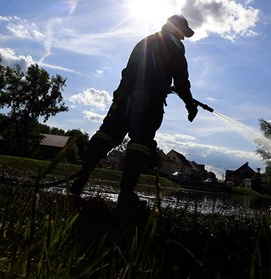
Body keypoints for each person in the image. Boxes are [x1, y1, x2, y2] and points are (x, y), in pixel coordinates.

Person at [70, 15, 199, 209]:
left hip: (124, 97)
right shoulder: (175, 48)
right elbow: (182, 83)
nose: (183, 39)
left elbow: (135, 70)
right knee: (140, 143)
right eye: (183, 35)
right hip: (149, 102)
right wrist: (190, 105)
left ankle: (80, 179)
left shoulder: (145, 41)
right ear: (176, 29)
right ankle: (126, 194)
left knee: (107, 134)